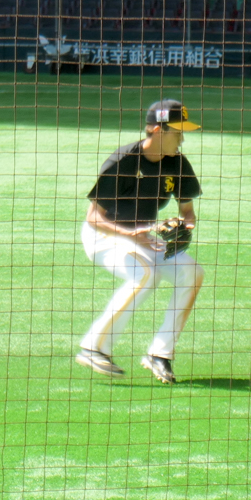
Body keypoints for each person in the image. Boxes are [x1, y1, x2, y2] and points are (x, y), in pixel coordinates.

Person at [75, 99, 204, 385]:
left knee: (192, 272)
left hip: (144, 238)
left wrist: (184, 225)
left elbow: (188, 212)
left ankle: (160, 354)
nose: (182, 138)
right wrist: (130, 234)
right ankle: (93, 347)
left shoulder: (177, 162)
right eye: (177, 132)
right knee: (145, 273)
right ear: (157, 130)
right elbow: (94, 218)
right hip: (104, 237)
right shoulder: (123, 161)